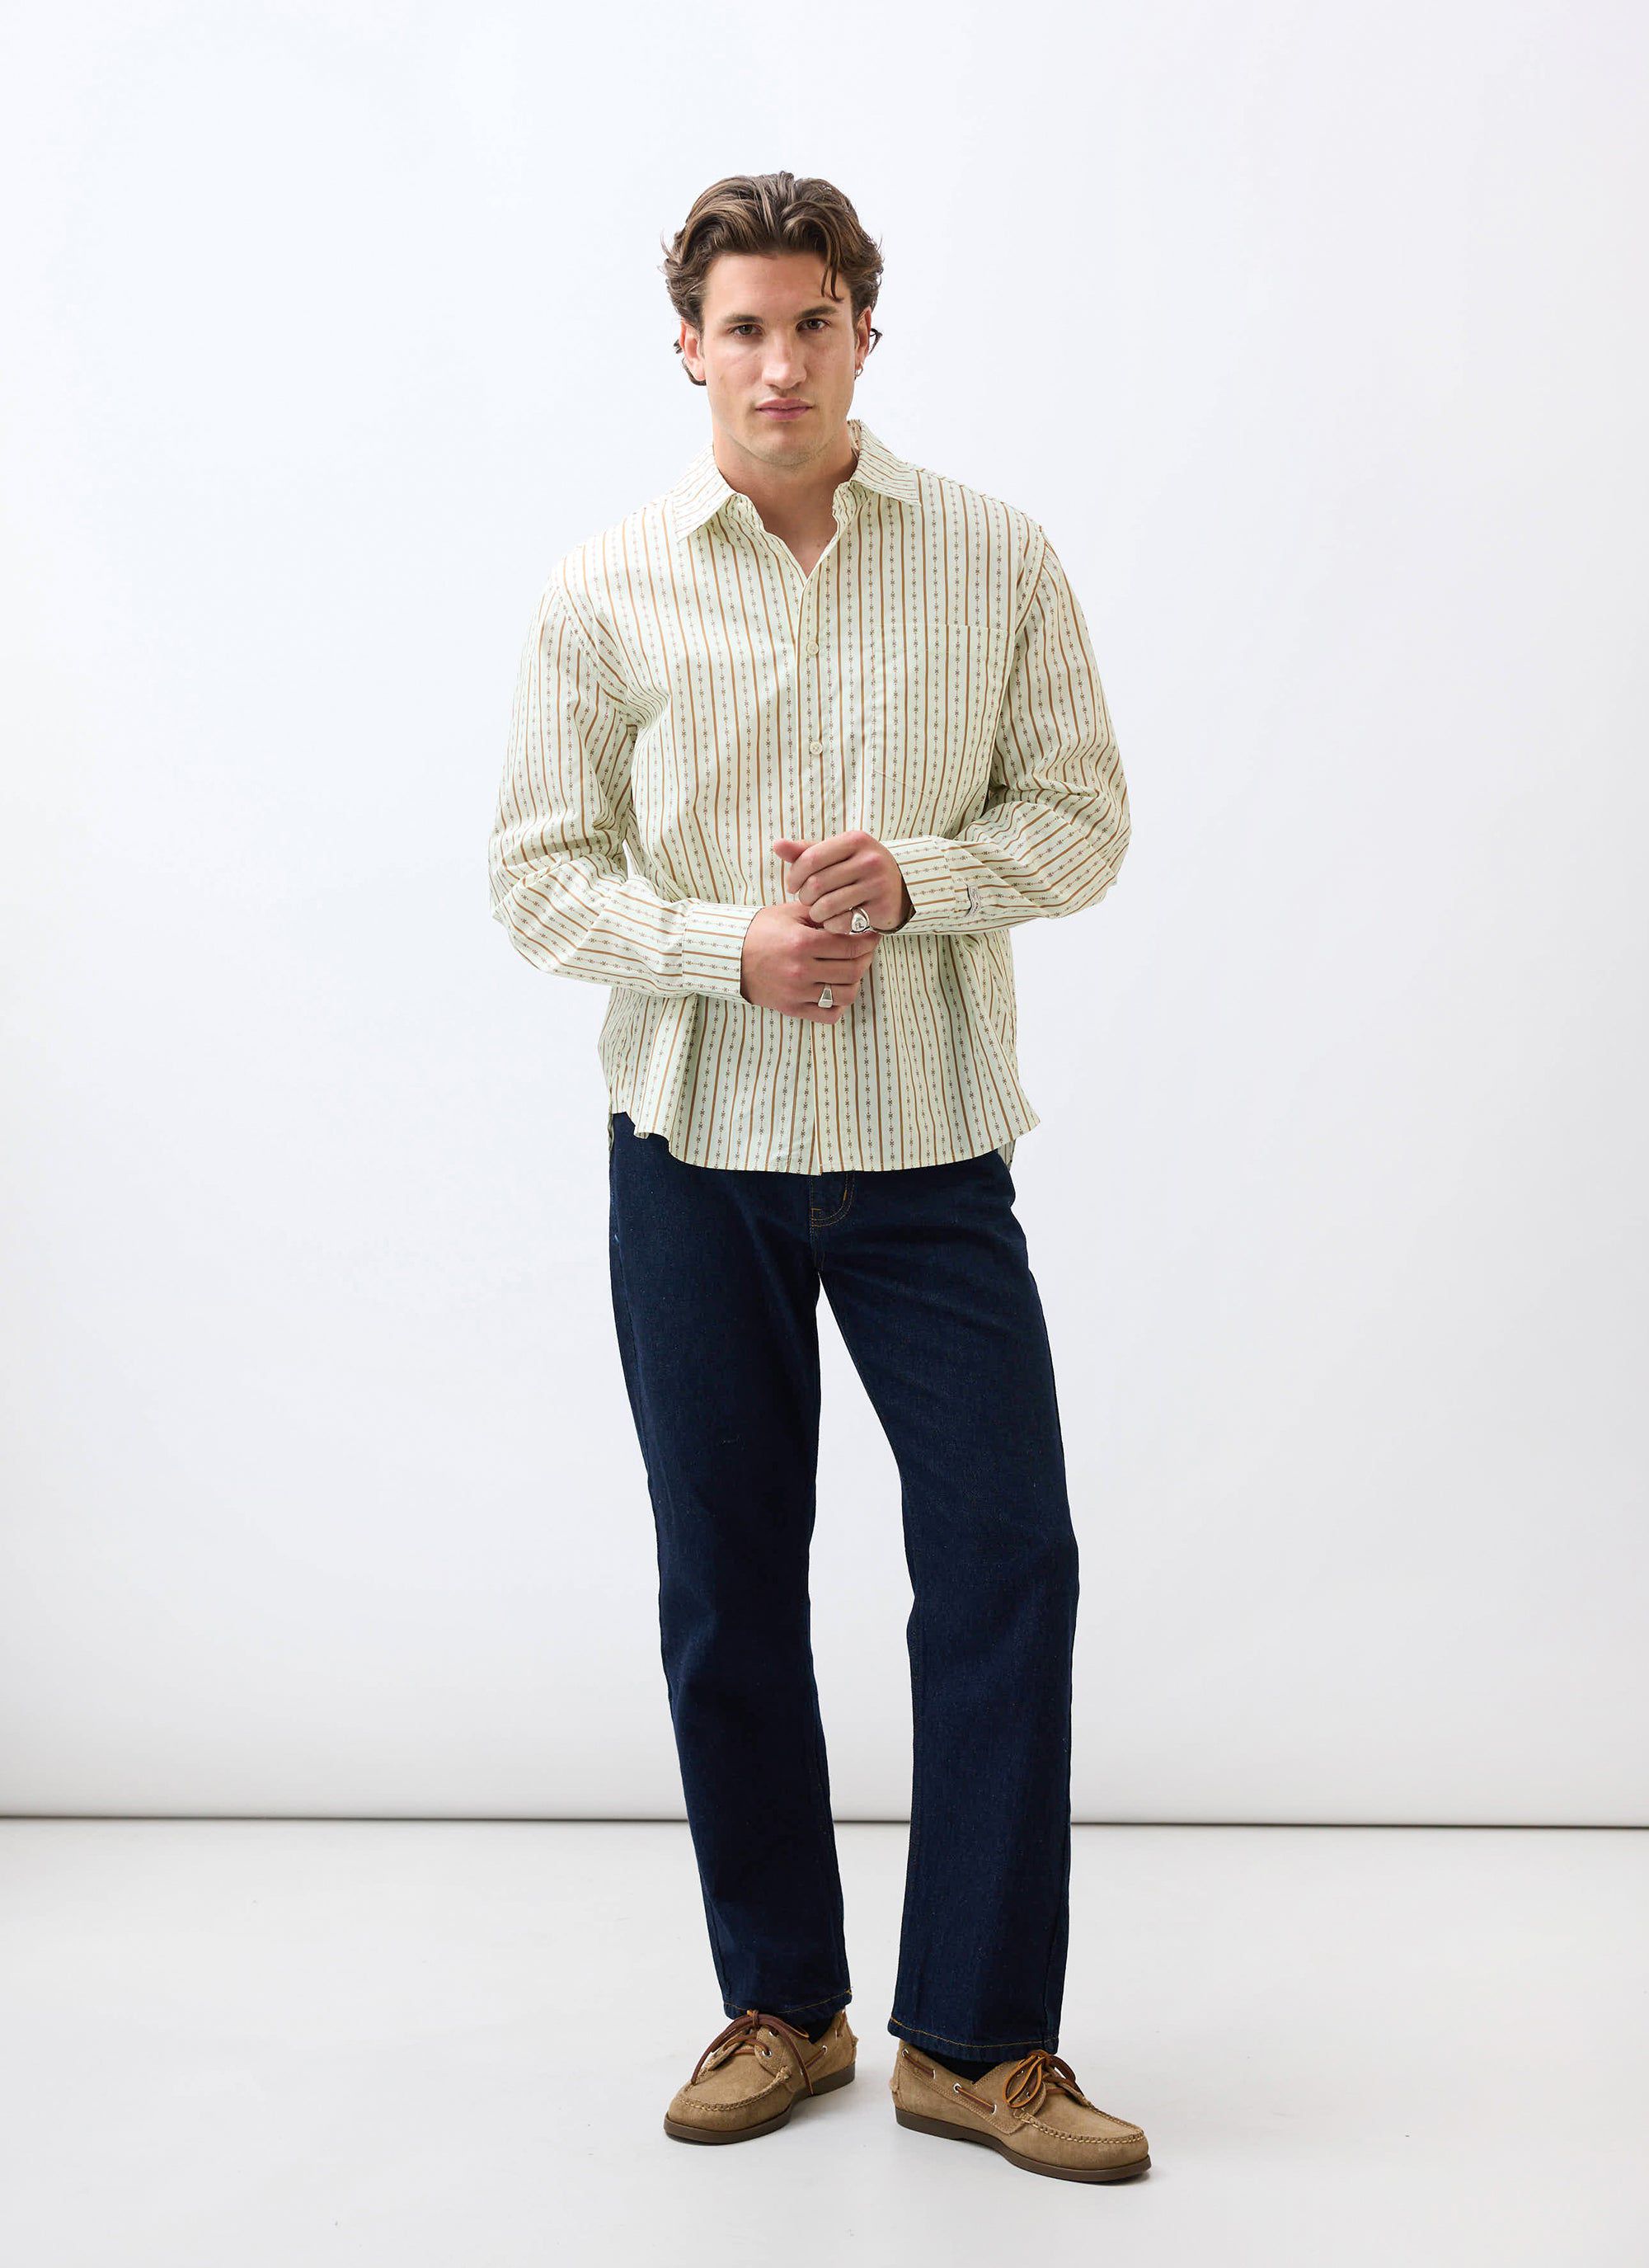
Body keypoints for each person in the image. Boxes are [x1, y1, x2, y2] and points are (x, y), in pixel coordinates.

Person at [486, 170, 1149, 2184]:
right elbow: (535, 874)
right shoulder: (606, 590)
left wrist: (918, 882)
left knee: (1007, 1564)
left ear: (868, 334)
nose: (780, 363)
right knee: (728, 1586)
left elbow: (1084, 818)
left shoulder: (994, 557)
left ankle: (978, 2038)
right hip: (694, 1154)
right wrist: (727, 946)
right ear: (688, 346)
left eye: (814, 324)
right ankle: (783, 2002)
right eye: (744, 329)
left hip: (930, 1147)